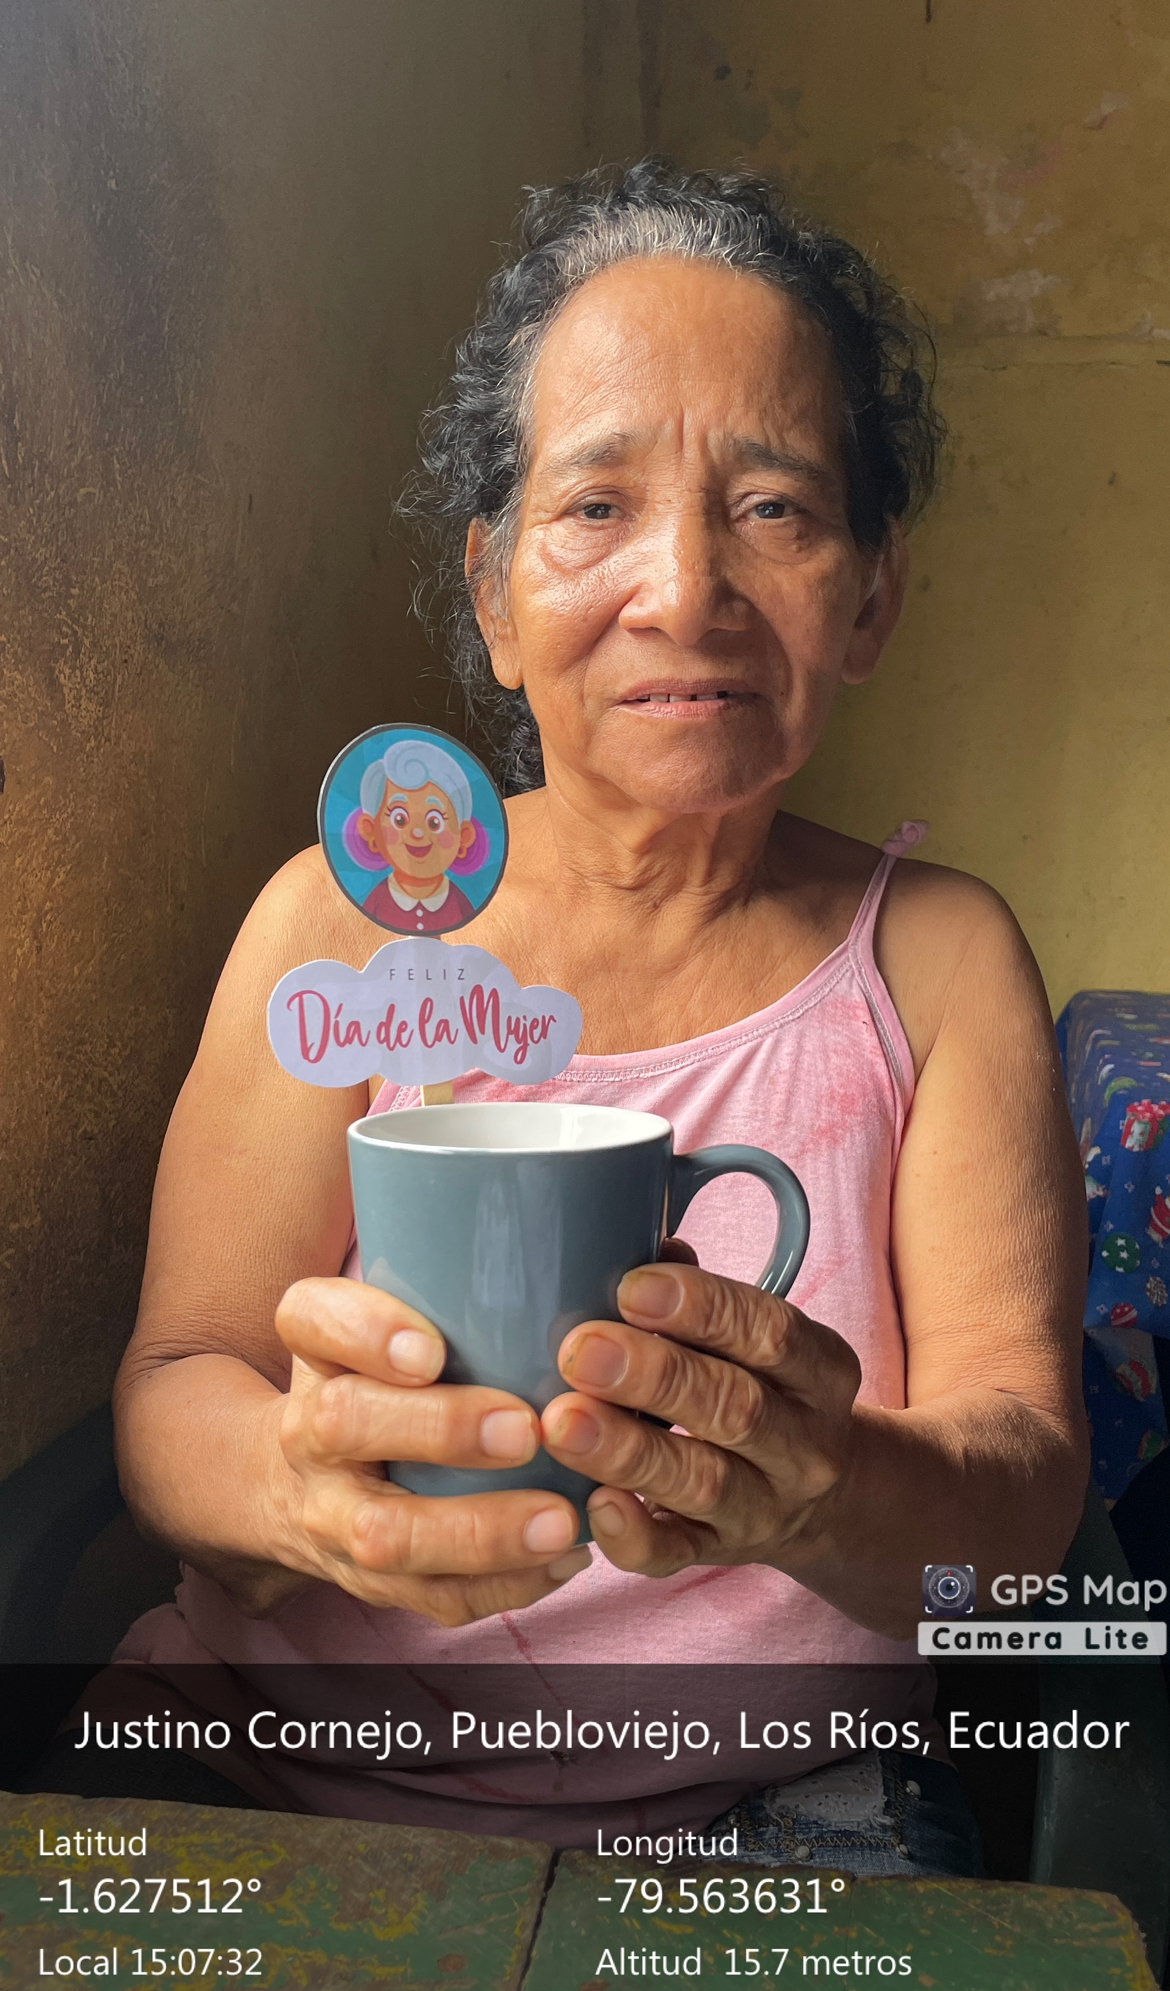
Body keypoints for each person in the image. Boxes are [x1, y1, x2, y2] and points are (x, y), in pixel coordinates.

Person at [82, 163, 1087, 1870]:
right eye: (596, 504)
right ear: (493, 593)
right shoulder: (344, 924)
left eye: (773, 508)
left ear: (869, 597)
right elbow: (182, 1380)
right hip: (267, 1774)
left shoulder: (937, 962)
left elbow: (1019, 1493)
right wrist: (299, 1488)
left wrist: (825, 1480)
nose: (684, 590)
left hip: (773, 1815)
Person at [355, 737, 479, 933]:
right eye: (400, 820)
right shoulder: (377, 900)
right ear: (371, 830)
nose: (418, 832)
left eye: (434, 822)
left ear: (464, 836)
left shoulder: (460, 903)